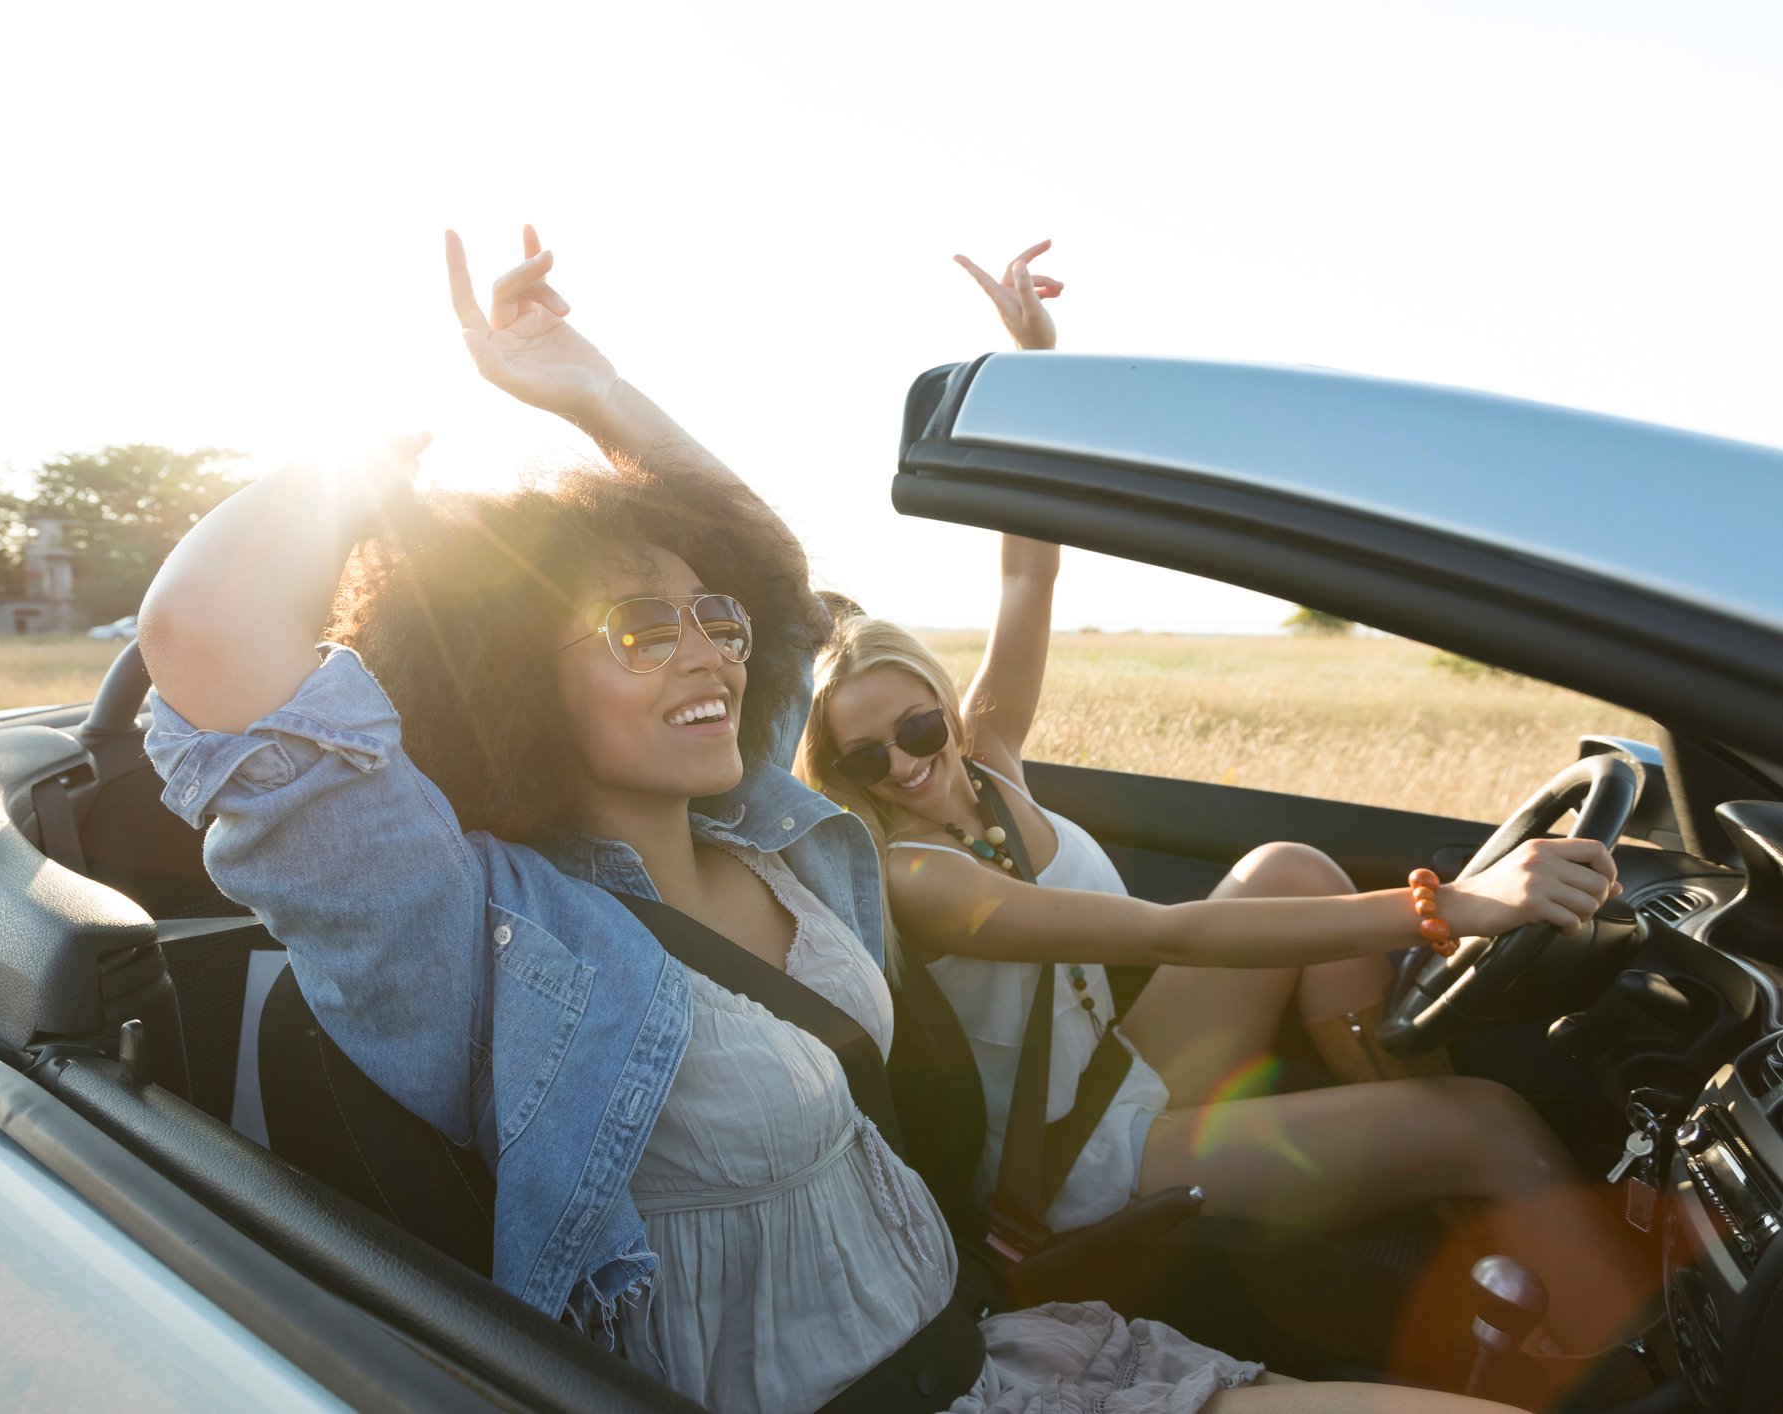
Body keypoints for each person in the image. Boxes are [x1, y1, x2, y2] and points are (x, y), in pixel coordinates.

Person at [139, 225, 1533, 1413]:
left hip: (1005, 1354)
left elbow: (780, 577)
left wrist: (588, 386)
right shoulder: (480, 934)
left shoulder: (785, 844)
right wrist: (376, 455)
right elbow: (203, 632)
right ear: (505, 669)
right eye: (637, 623)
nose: (709, 649)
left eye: (711, 615)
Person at [792, 241, 1654, 1361]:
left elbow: (1027, 573)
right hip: (1075, 1163)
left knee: (1291, 862)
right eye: (864, 760)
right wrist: (1453, 906)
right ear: (841, 774)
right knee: (1488, 1117)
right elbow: (1173, 930)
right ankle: (1629, 1359)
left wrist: (1034, 367)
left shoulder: (987, 754)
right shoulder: (919, 875)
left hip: (1115, 1076)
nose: (904, 768)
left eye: (915, 729)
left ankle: (1404, 1133)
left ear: (945, 709)